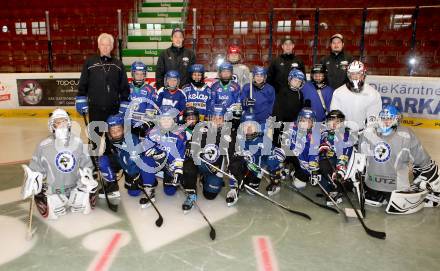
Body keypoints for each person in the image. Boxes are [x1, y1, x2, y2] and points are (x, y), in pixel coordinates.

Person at [357, 105, 439, 214]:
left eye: (388, 118)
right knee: (429, 168)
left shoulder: (366, 133)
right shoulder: (406, 134)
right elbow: (423, 161)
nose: (386, 121)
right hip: (397, 190)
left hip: (370, 189)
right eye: (384, 118)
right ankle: (436, 193)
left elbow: (359, 160)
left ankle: (376, 195)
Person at [21, 109, 98, 220]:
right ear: (52, 126)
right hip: (55, 190)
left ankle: (75, 197)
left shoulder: (78, 142)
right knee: (55, 207)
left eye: (64, 121)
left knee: (82, 202)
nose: (61, 125)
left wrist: (88, 176)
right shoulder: (44, 145)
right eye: (57, 122)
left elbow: (87, 166)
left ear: (69, 123)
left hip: (75, 187)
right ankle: (53, 200)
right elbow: (35, 168)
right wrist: (34, 179)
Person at [76, 33, 130, 155]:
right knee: (94, 139)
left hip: (113, 109)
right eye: (103, 44)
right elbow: (83, 83)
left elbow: (124, 87)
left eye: (108, 45)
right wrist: (80, 99)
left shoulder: (118, 64)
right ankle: (94, 166)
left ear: (112, 47)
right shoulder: (90, 63)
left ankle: (111, 164)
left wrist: (124, 103)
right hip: (95, 108)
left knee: (112, 138)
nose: (105, 47)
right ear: (99, 46)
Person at [228, 111, 285, 203]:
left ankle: (276, 181)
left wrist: (276, 159)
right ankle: (233, 188)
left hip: (255, 168)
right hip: (243, 167)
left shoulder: (262, 139)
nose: (249, 128)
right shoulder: (237, 139)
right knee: (234, 163)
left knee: (251, 191)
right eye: (246, 125)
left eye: (252, 125)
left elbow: (273, 153)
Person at [330, 60, 382, 132]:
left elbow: (373, 117)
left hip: (363, 133)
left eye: (358, 73)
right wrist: (343, 125)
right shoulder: (338, 92)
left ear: (364, 74)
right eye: (352, 74)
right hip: (343, 132)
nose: (355, 76)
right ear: (348, 75)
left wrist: (368, 131)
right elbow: (335, 115)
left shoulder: (373, 94)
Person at [318, 110, 354, 205]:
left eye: (337, 121)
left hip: (343, 161)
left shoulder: (346, 134)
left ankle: (337, 189)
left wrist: (341, 167)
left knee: (333, 170)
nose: (334, 124)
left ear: (342, 123)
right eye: (331, 120)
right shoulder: (323, 131)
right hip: (329, 159)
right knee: (322, 164)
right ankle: (329, 188)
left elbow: (345, 154)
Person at [267, 36, 305, 122]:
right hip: (279, 98)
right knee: (278, 122)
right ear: (282, 46)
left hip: (294, 98)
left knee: (292, 123)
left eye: (290, 44)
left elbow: (303, 80)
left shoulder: (299, 61)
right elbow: (269, 80)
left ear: (293, 46)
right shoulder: (275, 61)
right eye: (285, 44)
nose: (288, 46)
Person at [126, 61, 157, 137]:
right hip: (127, 124)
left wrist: (145, 125)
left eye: (142, 74)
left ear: (145, 75)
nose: (139, 76)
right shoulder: (126, 87)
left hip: (142, 125)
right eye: (137, 74)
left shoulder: (150, 90)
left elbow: (150, 112)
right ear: (132, 74)